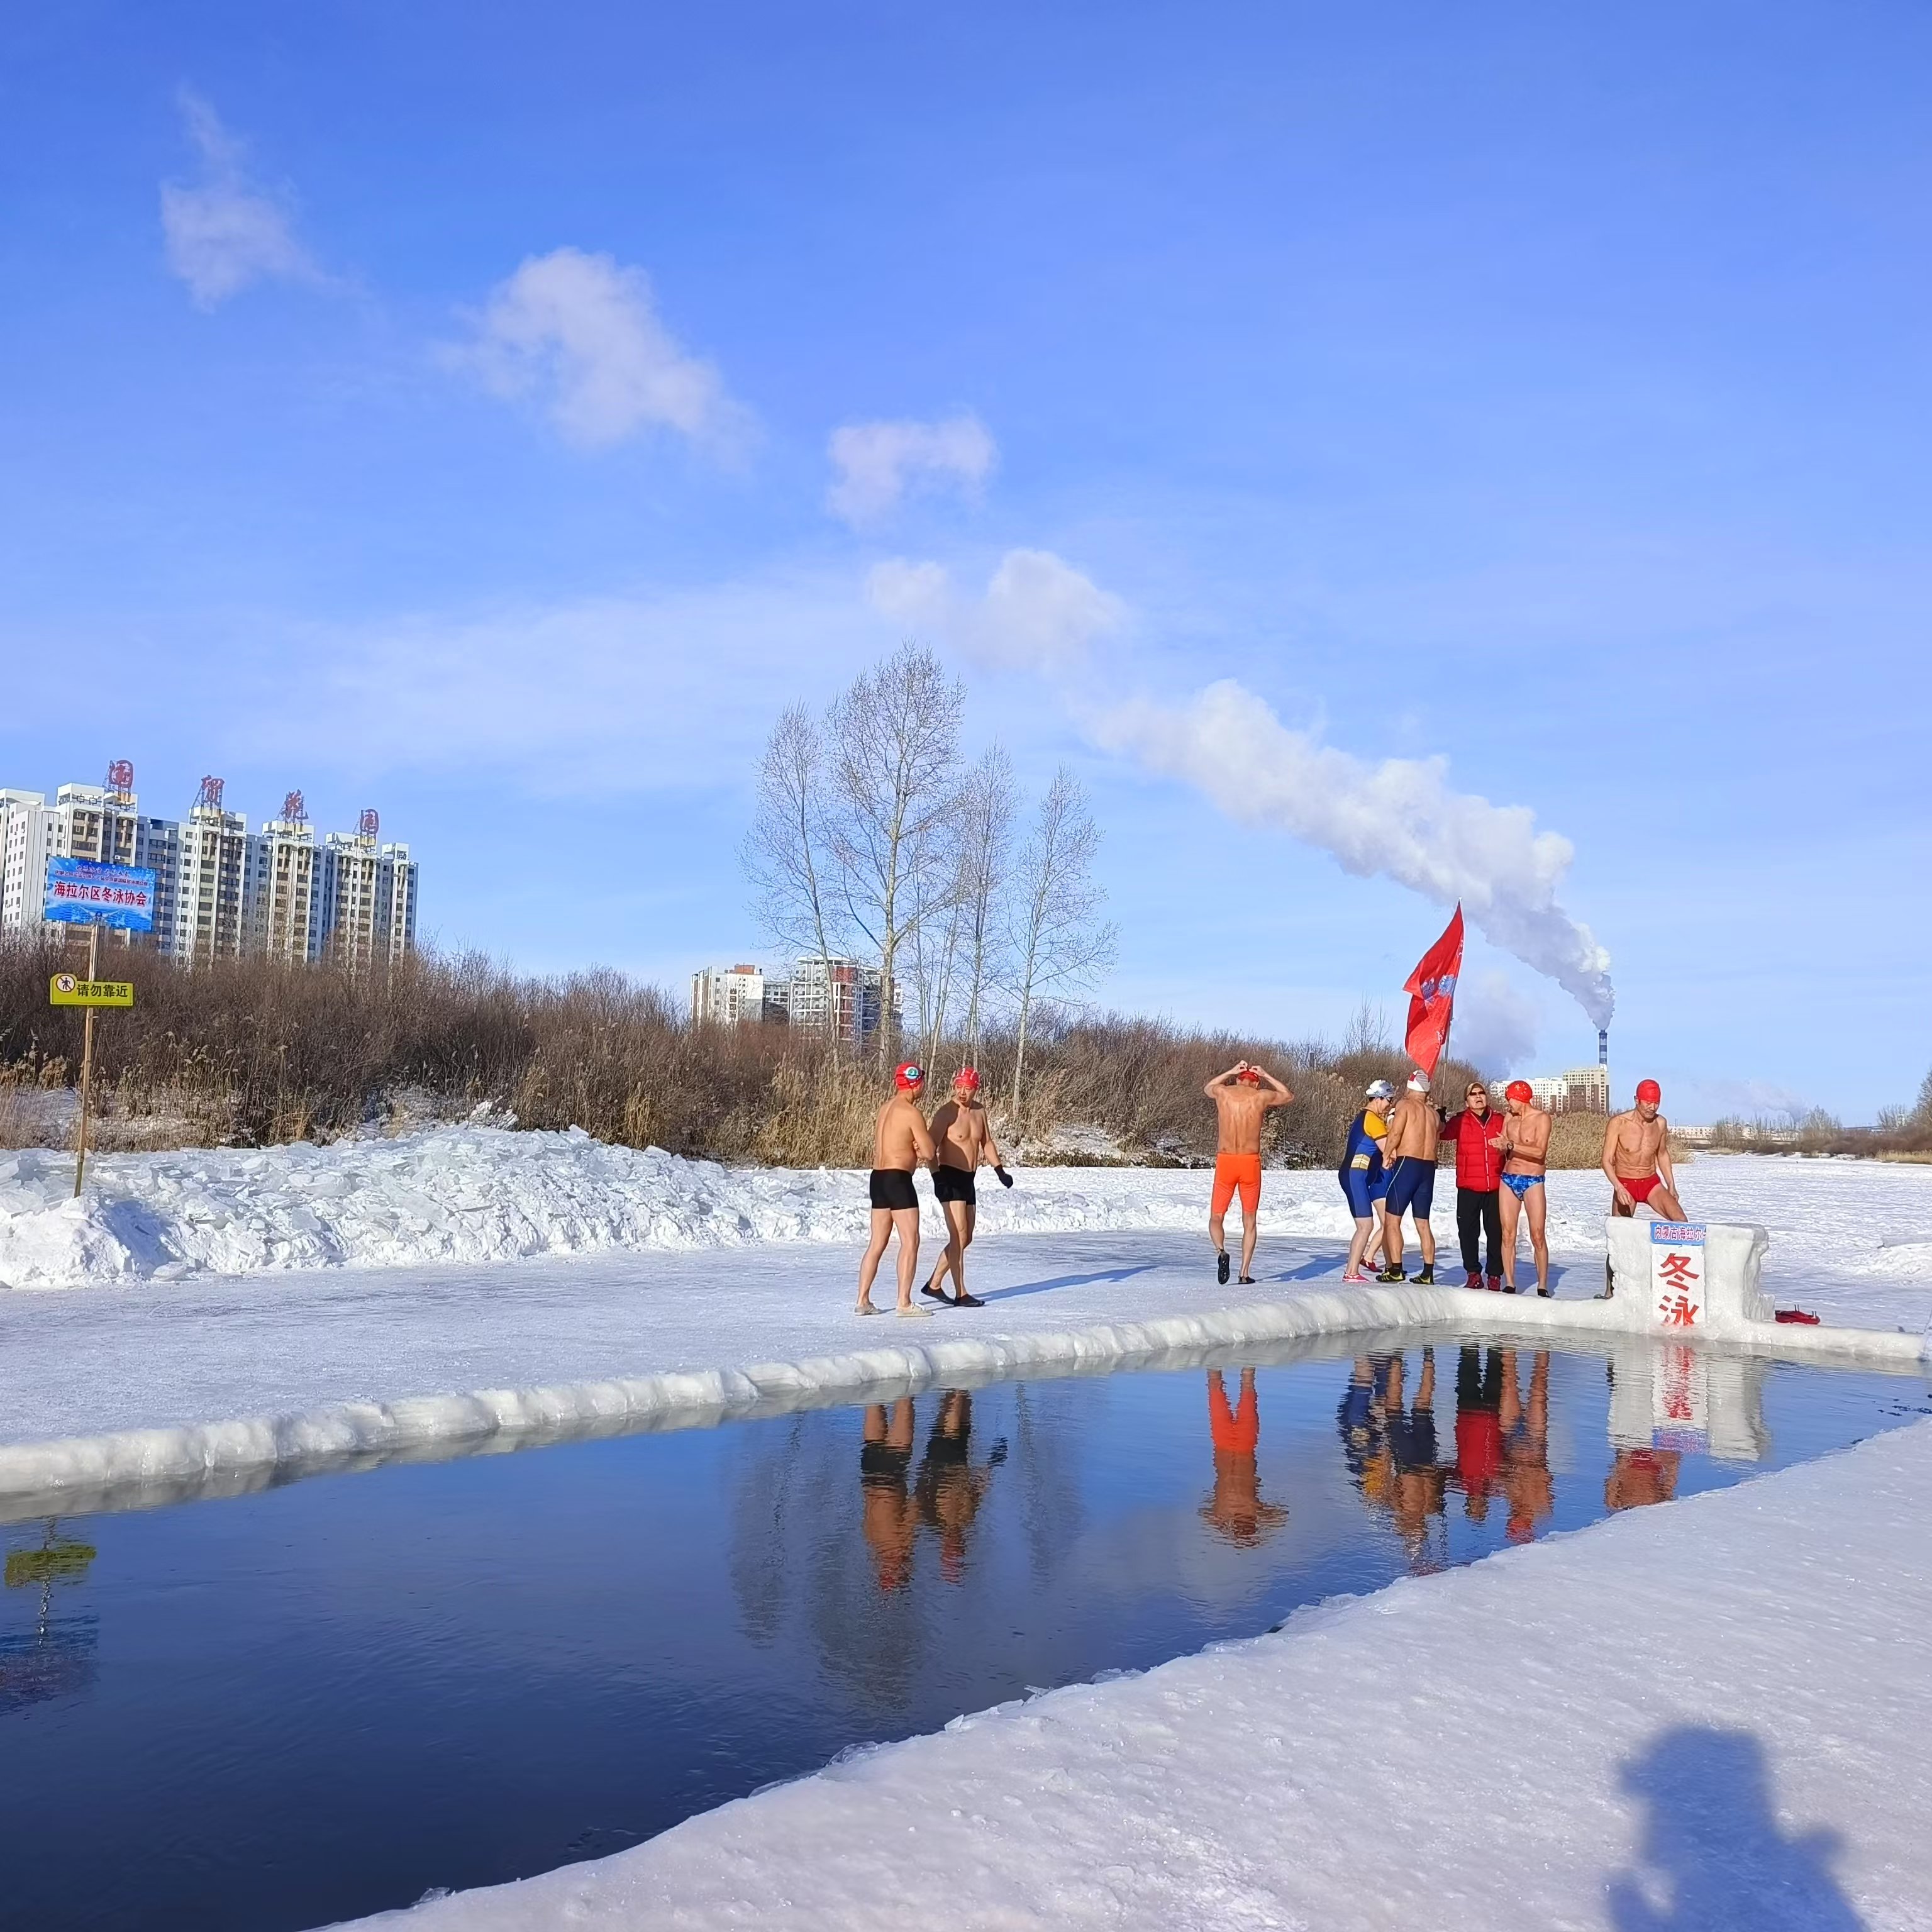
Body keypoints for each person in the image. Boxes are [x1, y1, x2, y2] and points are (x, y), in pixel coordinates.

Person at [920, 1067, 1013, 1309]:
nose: (962, 1092)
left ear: (976, 1089)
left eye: (967, 1088)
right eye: (958, 1087)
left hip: (968, 1179)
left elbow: (987, 1142)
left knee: (966, 1237)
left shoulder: (979, 1111)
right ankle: (961, 1293)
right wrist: (936, 1177)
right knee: (958, 1236)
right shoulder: (946, 1113)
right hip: (949, 1177)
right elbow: (929, 1148)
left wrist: (999, 1170)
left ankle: (934, 1284)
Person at [855, 1062, 936, 1317]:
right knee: (911, 1241)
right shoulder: (912, 1113)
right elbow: (930, 1151)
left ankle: (862, 1301)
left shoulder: (885, 1109)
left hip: (877, 1179)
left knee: (877, 1242)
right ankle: (904, 1303)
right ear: (916, 1084)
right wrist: (918, 1149)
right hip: (899, 1179)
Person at [1203, 1059, 1294, 1285]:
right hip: (1249, 1162)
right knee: (1250, 1220)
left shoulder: (1223, 1093)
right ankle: (1244, 1273)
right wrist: (1266, 1074)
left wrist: (1230, 1070)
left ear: (1237, 1080)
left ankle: (1220, 1251)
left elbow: (1207, 1088)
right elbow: (1287, 1095)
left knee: (1216, 1217)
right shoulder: (1260, 1096)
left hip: (1226, 1161)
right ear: (1255, 1084)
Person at [1200, 1367, 1289, 1546]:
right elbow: (1282, 1517)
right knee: (1223, 1387)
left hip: (1233, 1445)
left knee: (1244, 1386)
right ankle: (1226, 1357)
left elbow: (1202, 1514)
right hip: (1231, 1445)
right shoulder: (1235, 1510)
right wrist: (1224, 1529)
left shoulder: (1229, 1511)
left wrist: (1260, 1531)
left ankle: (1226, 1354)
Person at [1440, 1079, 1507, 1289]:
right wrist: (1439, 1117)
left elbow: (1514, 1139)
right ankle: (1473, 1273)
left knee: (1496, 1231)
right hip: (1468, 1186)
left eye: (1481, 1093)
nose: (1478, 1097)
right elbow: (1441, 1134)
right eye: (1473, 1094)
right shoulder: (1460, 1121)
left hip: (1495, 1186)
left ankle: (1495, 1275)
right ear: (1467, 1100)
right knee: (1468, 1232)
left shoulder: (1500, 1120)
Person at [1377, 1071, 1443, 1284]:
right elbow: (1438, 1133)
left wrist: (1387, 1154)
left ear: (1411, 1087)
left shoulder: (1405, 1106)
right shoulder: (1434, 1115)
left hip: (1408, 1164)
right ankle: (1428, 1273)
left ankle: (1396, 1269)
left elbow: (1396, 1132)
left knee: (1392, 1220)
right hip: (1428, 1168)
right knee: (1423, 1223)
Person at [1498, 1079, 1553, 1296]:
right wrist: (1500, 1146)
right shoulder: (1509, 1118)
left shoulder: (1542, 1118)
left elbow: (1540, 1152)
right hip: (1509, 1178)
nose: (1508, 1104)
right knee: (1507, 1234)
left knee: (1537, 1234)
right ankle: (1510, 1283)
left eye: (1510, 1099)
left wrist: (1511, 1145)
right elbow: (1504, 1143)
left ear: (1520, 1098)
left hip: (1533, 1180)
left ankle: (1542, 1285)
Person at [1603, 1079, 1686, 1223]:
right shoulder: (1619, 1123)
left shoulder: (1660, 1123)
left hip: (1650, 1183)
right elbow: (1607, 1160)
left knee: (1681, 1221)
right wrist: (1618, 1187)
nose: (1653, 1107)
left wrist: (1671, 1184)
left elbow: (1662, 1154)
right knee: (1620, 1228)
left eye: (1656, 1103)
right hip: (1626, 1183)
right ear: (1637, 1100)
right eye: (1648, 1102)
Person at [859, 1397, 919, 1591]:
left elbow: (913, 1509)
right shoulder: (872, 1540)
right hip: (870, 1472)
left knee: (905, 1402)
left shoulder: (902, 1544)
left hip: (893, 1473)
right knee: (874, 1401)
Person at [1338, 1079, 1395, 1282]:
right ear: (1379, 1098)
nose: (1389, 1104)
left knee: (1367, 1225)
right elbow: (1389, 1150)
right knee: (1366, 1226)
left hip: (1357, 1174)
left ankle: (1352, 1270)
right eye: (1389, 1099)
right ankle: (1351, 1272)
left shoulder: (1367, 1117)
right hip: (1355, 1174)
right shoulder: (1372, 1119)